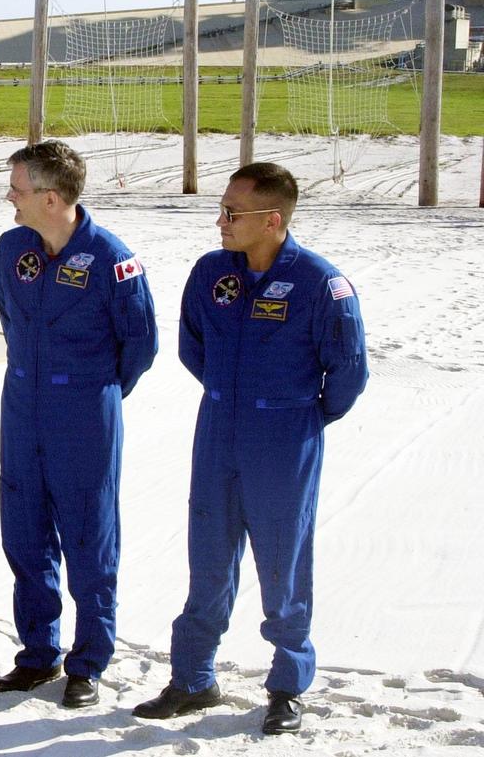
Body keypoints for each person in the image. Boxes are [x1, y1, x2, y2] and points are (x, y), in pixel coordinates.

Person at [132, 162, 368, 735]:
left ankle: (287, 684)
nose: (221, 222)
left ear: (272, 220)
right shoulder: (212, 273)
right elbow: (192, 346)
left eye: (232, 213)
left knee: (282, 566)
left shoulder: (320, 283)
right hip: (218, 428)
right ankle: (193, 678)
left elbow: (348, 375)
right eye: (222, 209)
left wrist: (298, 418)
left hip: (283, 439)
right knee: (207, 557)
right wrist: (230, 396)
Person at [0, 140, 158, 707]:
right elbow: (9, 316)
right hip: (22, 410)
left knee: (90, 540)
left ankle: (88, 660)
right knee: (25, 536)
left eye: (17, 187)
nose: (9, 196)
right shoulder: (13, 249)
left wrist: (92, 391)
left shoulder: (112, 259)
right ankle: (38, 654)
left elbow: (140, 346)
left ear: (51, 197)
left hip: (84, 417)